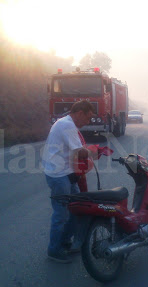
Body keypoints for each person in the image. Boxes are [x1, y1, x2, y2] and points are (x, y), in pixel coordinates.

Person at [42, 100, 96, 263]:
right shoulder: (67, 125)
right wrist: (95, 152)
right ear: (80, 113)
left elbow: (73, 152)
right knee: (62, 213)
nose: (87, 123)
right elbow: (79, 151)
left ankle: (64, 241)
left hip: (65, 172)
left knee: (76, 209)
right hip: (58, 175)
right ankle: (54, 250)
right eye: (88, 118)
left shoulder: (65, 122)